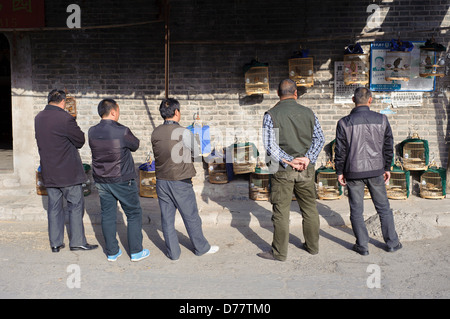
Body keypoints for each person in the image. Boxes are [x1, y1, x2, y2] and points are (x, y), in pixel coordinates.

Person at [258, 79, 325, 261]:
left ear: (278, 94)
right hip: (306, 169)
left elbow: (270, 145)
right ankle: (312, 247)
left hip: (281, 171)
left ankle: (280, 253)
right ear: (296, 93)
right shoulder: (309, 113)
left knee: (281, 212)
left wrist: (289, 161)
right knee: (310, 208)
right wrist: (307, 158)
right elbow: (320, 139)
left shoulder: (271, 115)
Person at [334, 87, 402, 256]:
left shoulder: (344, 122)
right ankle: (392, 243)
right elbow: (388, 146)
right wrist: (387, 167)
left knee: (356, 210)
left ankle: (363, 246)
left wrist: (339, 171)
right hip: (376, 170)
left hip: (353, 172)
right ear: (370, 100)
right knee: (383, 208)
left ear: (353, 100)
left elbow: (340, 151)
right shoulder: (382, 119)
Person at [151, 98, 219, 260]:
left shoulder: (155, 133)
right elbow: (196, 154)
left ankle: (173, 253)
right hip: (180, 180)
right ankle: (201, 248)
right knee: (191, 216)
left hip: (162, 180)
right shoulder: (184, 132)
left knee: (167, 219)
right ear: (176, 112)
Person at [35, 89, 98, 253]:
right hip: (68, 172)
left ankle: (55, 243)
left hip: (49, 171)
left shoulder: (38, 118)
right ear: (62, 101)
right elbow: (80, 141)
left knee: (54, 207)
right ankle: (77, 242)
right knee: (75, 206)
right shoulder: (65, 118)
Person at [88, 99, 149, 262]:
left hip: (101, 179)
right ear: (114, 112)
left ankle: (112, 252)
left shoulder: (92, 131)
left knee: (107, 215)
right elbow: (135, 145)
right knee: (133, 213)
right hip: (122, 179)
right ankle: (136, 251)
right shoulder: (122, 131)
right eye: (118, 111)